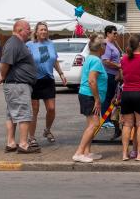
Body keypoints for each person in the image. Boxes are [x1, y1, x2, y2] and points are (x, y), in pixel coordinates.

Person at [0, 20, 40, 154]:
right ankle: (23, 144)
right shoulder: (14, 42)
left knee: (11, 114)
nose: (30, 31)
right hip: (18, 85)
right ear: (20, 29)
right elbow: (5, 62)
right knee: (24, 114)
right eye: (28, 29)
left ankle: (10, 143)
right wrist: (2, 75)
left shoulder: (17, 43)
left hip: (17, 84)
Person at [26, 22, 67, 146]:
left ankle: (47, 130)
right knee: (35, 110)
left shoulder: (50, 44)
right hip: (34, 80)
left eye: (45, 29)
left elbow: (54, 60)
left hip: (48, 79)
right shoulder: (29, 45)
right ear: (36, 32)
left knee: (51, 108)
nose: (44, 31)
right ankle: (31, 137)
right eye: (41, 30)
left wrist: (61, 74)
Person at [73, 35, 108, 163]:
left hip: (86, 94)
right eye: (104, 44)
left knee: (90, 125)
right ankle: (79, 152)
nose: (106, 47)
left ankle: (87, 152)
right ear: (100, 48)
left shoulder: (91, 58)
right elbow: (92, 81)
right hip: (89, 96)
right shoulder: (96, 61)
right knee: (94, 124)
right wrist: (97, 99)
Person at [100, 25, 122, 137]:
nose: (116, 35)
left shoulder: (112, 44)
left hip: (114, 75)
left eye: (116, 33)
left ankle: (110, 119)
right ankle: (105, 120)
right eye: (114, 33)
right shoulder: (106, 45)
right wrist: (118, 65)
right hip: (108, 74)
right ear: (108, 33)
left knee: (113, 97)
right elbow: (105, 61)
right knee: (108, 97)